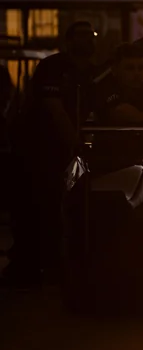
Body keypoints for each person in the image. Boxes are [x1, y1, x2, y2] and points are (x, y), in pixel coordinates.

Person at [2, 21, 99, 288]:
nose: (88, 41)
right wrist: (77, 144)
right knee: (32, 209)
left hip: (65, 154)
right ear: (69, 41)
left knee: (63, 208)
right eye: (81, 36)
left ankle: (55, 266)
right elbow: (55, 110)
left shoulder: (93, 72)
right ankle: (26, 268)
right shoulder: (53, 67)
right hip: (35, 151)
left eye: (91, 36)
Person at [92, 43, 143, 173]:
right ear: (115, 70)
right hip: (111, 163)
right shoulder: (105, 89)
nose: (137, 73)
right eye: (130, 68)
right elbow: (123, 113)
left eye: (141, 68)